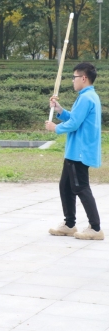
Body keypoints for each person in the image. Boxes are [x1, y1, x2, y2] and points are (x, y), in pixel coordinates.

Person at [45, 62, 103, 240]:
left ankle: (95, 228)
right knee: (65, 186)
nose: (72, 80)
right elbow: (74, 117)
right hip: (74, 151)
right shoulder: (87, 96)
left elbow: (74, 124)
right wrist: (59, 109)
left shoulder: (86, 98)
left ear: (83, 78)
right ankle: (69, 224)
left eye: (74, 77)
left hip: (79, 151)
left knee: (81, 187)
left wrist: (56, 128)